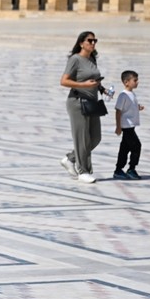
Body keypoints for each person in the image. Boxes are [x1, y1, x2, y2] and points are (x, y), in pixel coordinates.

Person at [58, 30, 108, 184]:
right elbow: (64, 81)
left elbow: (94, 79)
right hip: (77, 102)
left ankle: (70, 158)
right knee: (82, 138)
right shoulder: (75, 59)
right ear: (81, 43)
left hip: (92, 102)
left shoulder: (92, 59)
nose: (93, 43)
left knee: (95, 137)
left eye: (95, 41)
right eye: (89, 41)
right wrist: (83, 85)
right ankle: (83, 171)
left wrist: (102, 89)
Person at [113, 70, 144, 180]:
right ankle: (131, 169)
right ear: (126, 82)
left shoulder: (131, 94)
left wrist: (137, 107)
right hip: (127, 127)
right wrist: (118, 126)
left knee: (125, 148)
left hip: (131, 126)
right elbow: (118, 111)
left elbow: (128, 107)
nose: (137, 82)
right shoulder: (123, 95)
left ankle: (118, 170)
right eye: (135, 80)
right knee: (136, 146)